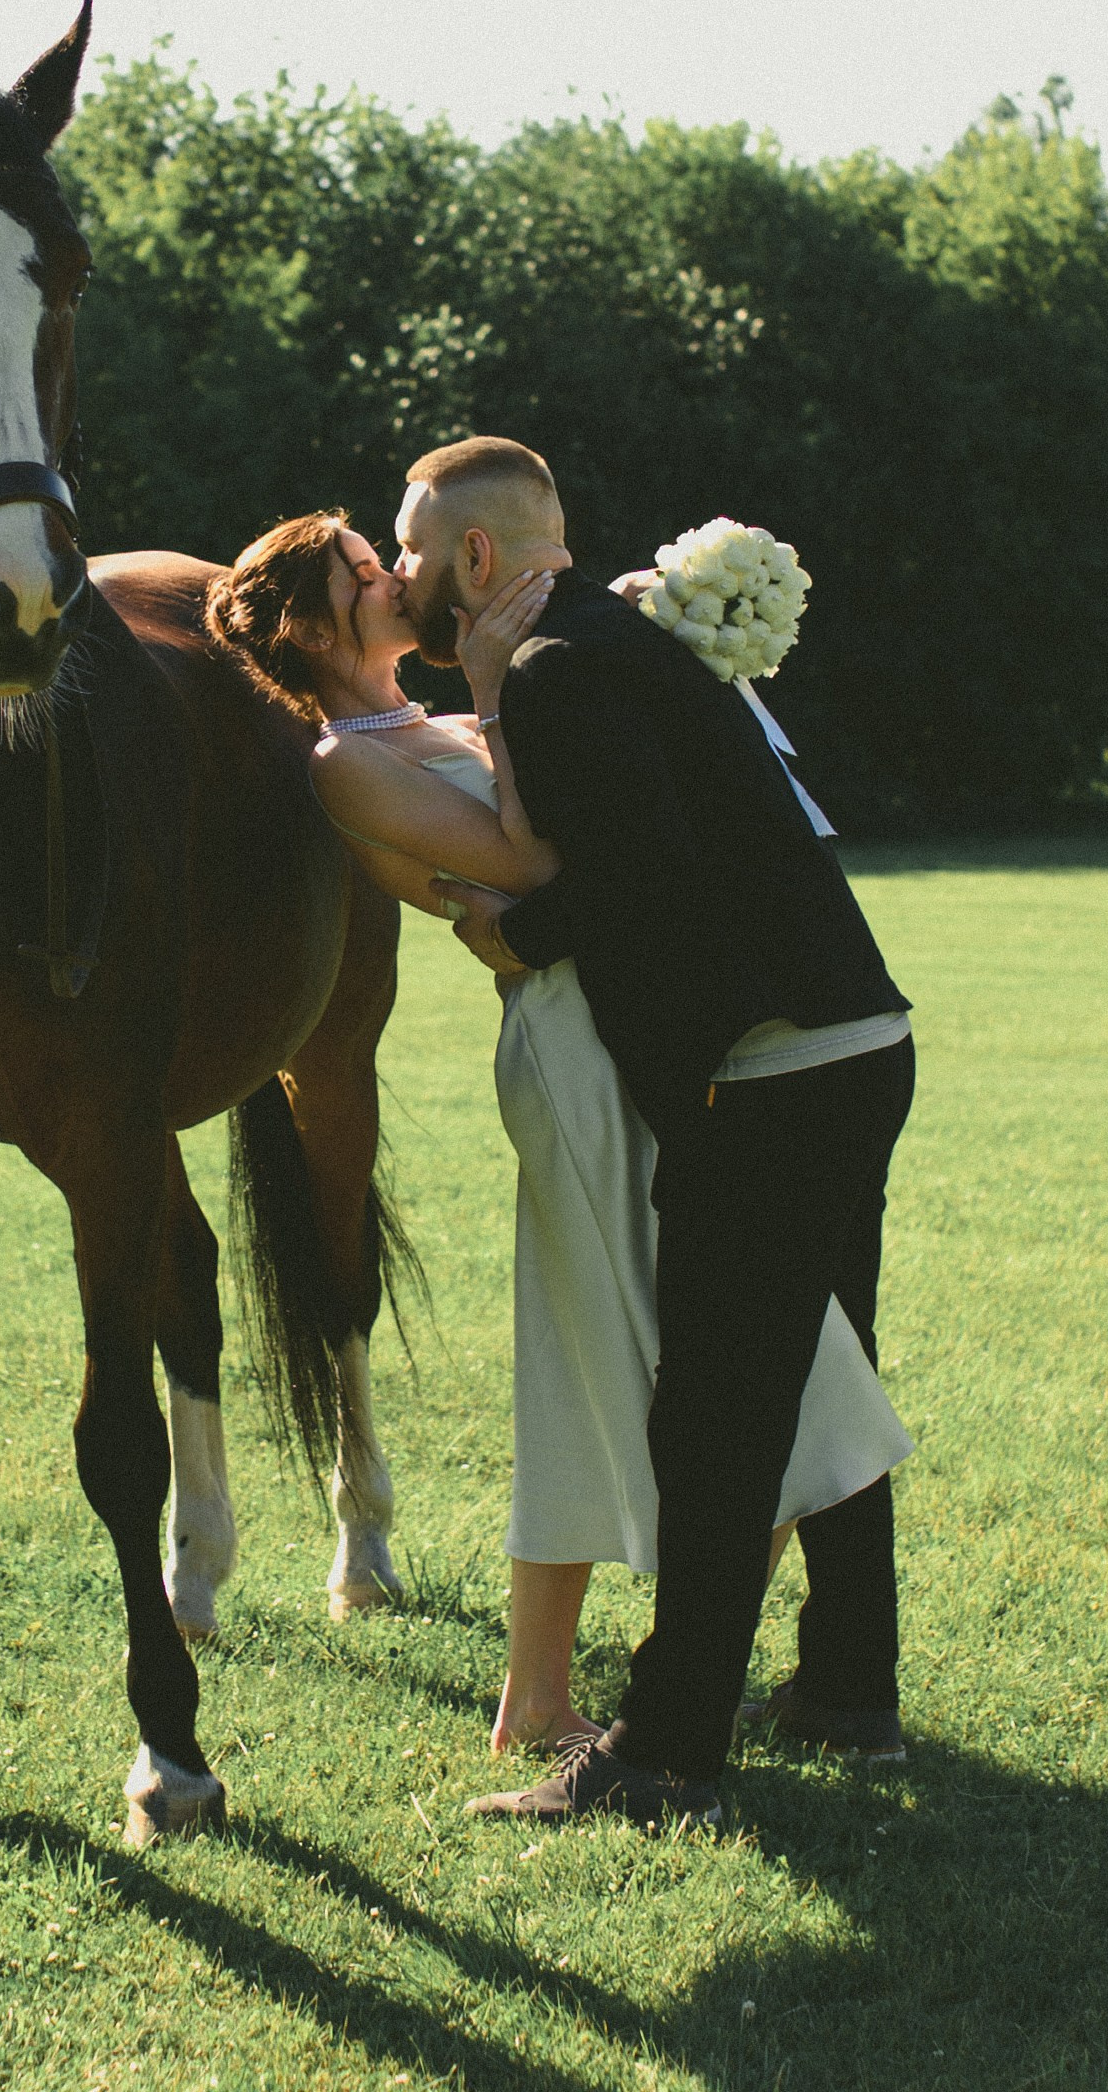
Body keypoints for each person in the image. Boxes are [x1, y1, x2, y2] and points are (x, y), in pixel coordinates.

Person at [204, 492, 912, 1788]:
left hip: (639, 1020)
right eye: (370, 571)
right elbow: (532, 862)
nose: (395, 581)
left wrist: (602, 646)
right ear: (313, 625)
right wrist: (505, 683)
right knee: (612, 1356)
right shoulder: (349, 761)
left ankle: (648, 1682)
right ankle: (595, 1692)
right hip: (575, 1049)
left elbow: (603, 799)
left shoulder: (441, 718)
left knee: (732, 1359)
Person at [390, 437, 916, 1835]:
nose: (400, 575)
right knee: (813, 1364)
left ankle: (666, 1754)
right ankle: (849, 1692)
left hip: (778, 1068)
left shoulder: (559, 672)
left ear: (478, 560)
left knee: (715, 1424)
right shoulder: (612, 642)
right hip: (851, 1039)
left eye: (411, 549)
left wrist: (513, 927)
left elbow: (643, 882)